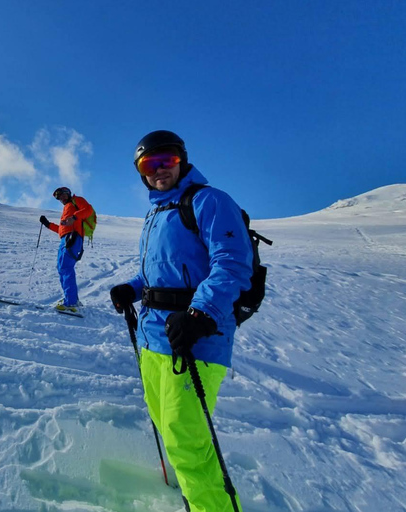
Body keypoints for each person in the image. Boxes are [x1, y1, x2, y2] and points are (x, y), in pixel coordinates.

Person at [109, 130, 252, 511]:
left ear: (182, 160)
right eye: (148, 164)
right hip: (153, 337)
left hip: (195, 339)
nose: (158, 171)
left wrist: (199, 314)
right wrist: (133, 289)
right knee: (165, 422)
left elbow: (233, 264)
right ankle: (192, 492)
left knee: (185, 437)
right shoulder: (156, 213)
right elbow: (161, 275)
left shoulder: (209, 201)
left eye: (166, 160)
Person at [39, 187, 94, 313]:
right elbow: (62, 230)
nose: (61, 198)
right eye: (59, 198)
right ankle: (72, 299)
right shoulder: (67, 209)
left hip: (73, 237)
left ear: (68, 194)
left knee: (66, 267)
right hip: (65, 239)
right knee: (61, 267)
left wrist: (74, 217)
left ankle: (71, 303)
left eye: (63, 195)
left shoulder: (76, 200)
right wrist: (47, 224)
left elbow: (88, 210)